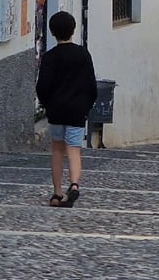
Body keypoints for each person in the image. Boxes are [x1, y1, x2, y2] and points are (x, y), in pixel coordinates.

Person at [35, 11, 97, 207]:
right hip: (77, 109)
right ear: (73, 30)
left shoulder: (50, 57)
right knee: (74, 149)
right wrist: (87, 105)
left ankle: (56, 193)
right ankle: (75, 185)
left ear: (53, 32)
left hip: (56, 110)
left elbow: (42, 86)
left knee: (56, 150)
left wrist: (46, 104)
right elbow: (91, 84)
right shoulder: (82, 54)